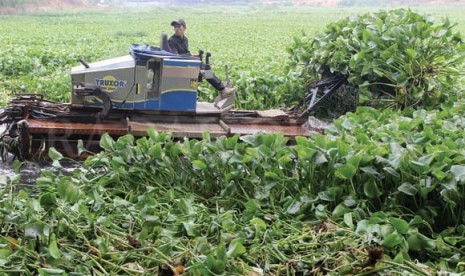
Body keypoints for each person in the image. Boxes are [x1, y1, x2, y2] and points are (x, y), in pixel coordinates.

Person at [168, 19, 236, 99]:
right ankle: (222, 89)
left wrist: (196, 55)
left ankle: (221, 87)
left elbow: (185, 52)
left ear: (184, 28)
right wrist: (192, 55)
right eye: (175, 27)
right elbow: (176, 56)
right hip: (180, 67)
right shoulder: (171, 41)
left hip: (186, 63)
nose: (176, 29)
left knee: (206, 68)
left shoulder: (185, 39)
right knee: (205, 70)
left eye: (179, 26)